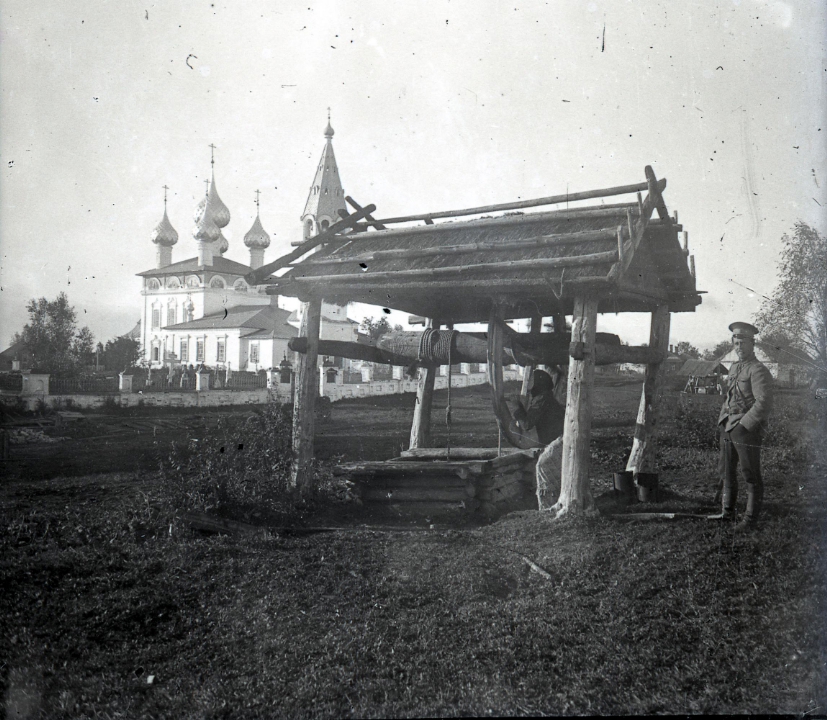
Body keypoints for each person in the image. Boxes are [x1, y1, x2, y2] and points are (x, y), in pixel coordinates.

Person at [717, 321, 773, 530]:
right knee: (726, 471)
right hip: (727, 425)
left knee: (750, 473)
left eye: (743, 343)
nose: (739, 347)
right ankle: (727, 512)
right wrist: (722, 420)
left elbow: (763, 402)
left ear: (752, 344)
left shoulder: (758, 370)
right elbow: (729, 397)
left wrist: (744, 425)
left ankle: (750, 519)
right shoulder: (734, 367)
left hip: (745, 429)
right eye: (736, 343)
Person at [513, 367, 567, 510]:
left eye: (532, 382)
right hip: (562, 439)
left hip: (560, 441)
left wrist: (517, 408)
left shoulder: (541, 400)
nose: (530, 387)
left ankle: (547, 507)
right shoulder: (547, 397)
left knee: (543, 466)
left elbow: (527, 424)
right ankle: (552, 504)